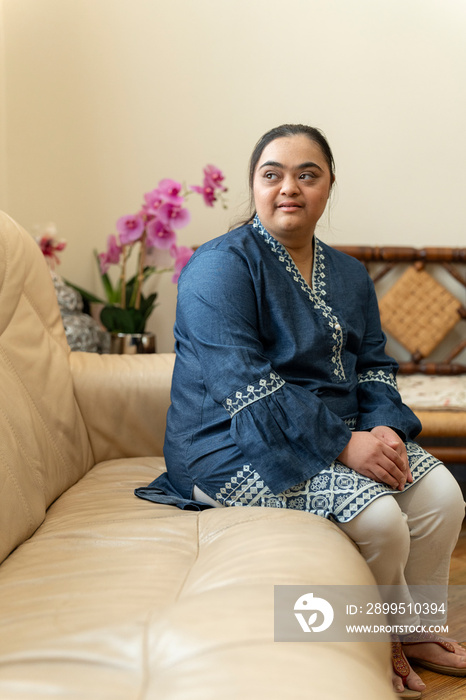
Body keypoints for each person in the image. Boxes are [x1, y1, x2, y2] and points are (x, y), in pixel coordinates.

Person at [136, 124, 466, 697]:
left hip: (338, 432)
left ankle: (413, 629)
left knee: (442, 496)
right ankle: (370, 640)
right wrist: (345, 446)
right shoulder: (219, 268)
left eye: (307, 174)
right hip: (227, 444)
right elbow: (245, 383)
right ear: (255, 187)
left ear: (329, 187)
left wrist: (382, 427)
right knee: (382, 520)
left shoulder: (348, 274)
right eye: (273, 174)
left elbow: (373, 367)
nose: (289, 187)